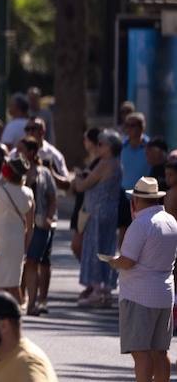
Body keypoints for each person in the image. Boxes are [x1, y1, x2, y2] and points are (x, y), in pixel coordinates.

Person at [105, 179, 177, 382]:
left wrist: (113, 261)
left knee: (140, 351)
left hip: (139, 293)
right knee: (160, 350)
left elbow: (128, 261)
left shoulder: (140, 224)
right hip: (164, 293)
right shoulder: (171, 221)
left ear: (135, 200)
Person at [72, 130, 122, 307]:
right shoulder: (117, 163)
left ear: (109, 147)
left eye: (101, 144)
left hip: (98, 212)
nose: (98, 147)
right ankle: (105, 289)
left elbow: (83, 186)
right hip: (110, 212)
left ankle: (96, 289)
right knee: (107, 249)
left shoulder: (105, 163)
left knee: (95, 248)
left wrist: (78, 177)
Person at [0, 157, 35, 300]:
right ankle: (16, 312)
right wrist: (25, 247)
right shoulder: (28, 193)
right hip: (17, 245)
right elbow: (30, 226)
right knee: (13, 285)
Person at [18, 137, 59, 316]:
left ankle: (32, 303)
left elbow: (52, 197)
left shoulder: (44, 173)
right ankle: (19, 299)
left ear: (32, 152)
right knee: (19, 264)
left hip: (40, 224)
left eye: (22, 149)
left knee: (33, 262)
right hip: (19, 224)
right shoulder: (15, 170)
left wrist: (49, 217)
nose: (18, 153)